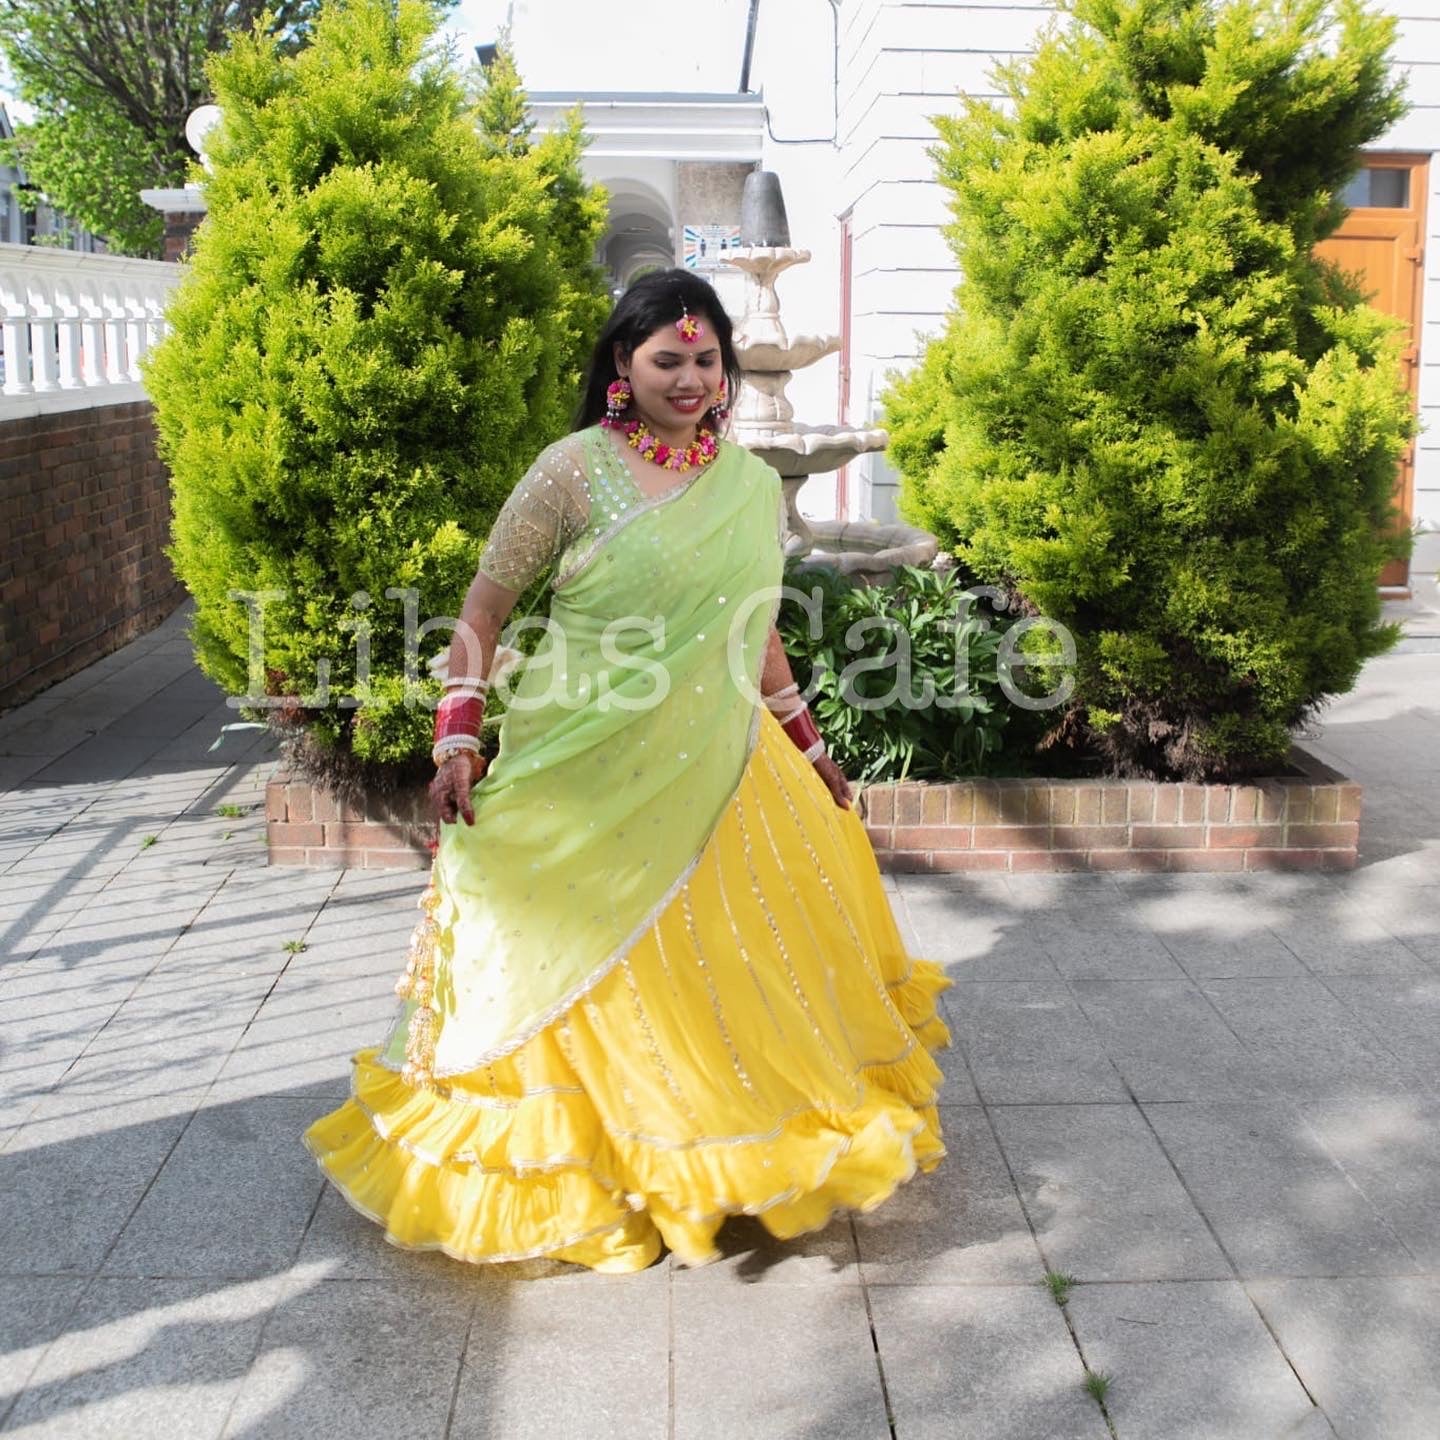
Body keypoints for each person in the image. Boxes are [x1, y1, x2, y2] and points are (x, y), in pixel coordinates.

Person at [303, 268, 951, 1273]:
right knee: (546, 941)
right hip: (580, 757)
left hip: (719, 764)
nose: (690, 379)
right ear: (622, 363)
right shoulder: (570, 472)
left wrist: (812, 747)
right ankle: (595, 1169)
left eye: (706, 359)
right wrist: (458, 737)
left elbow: (758, 634)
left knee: (732, 963)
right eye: (667, 359)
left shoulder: (740, 483)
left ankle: (711, 1155)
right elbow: (482, 614)